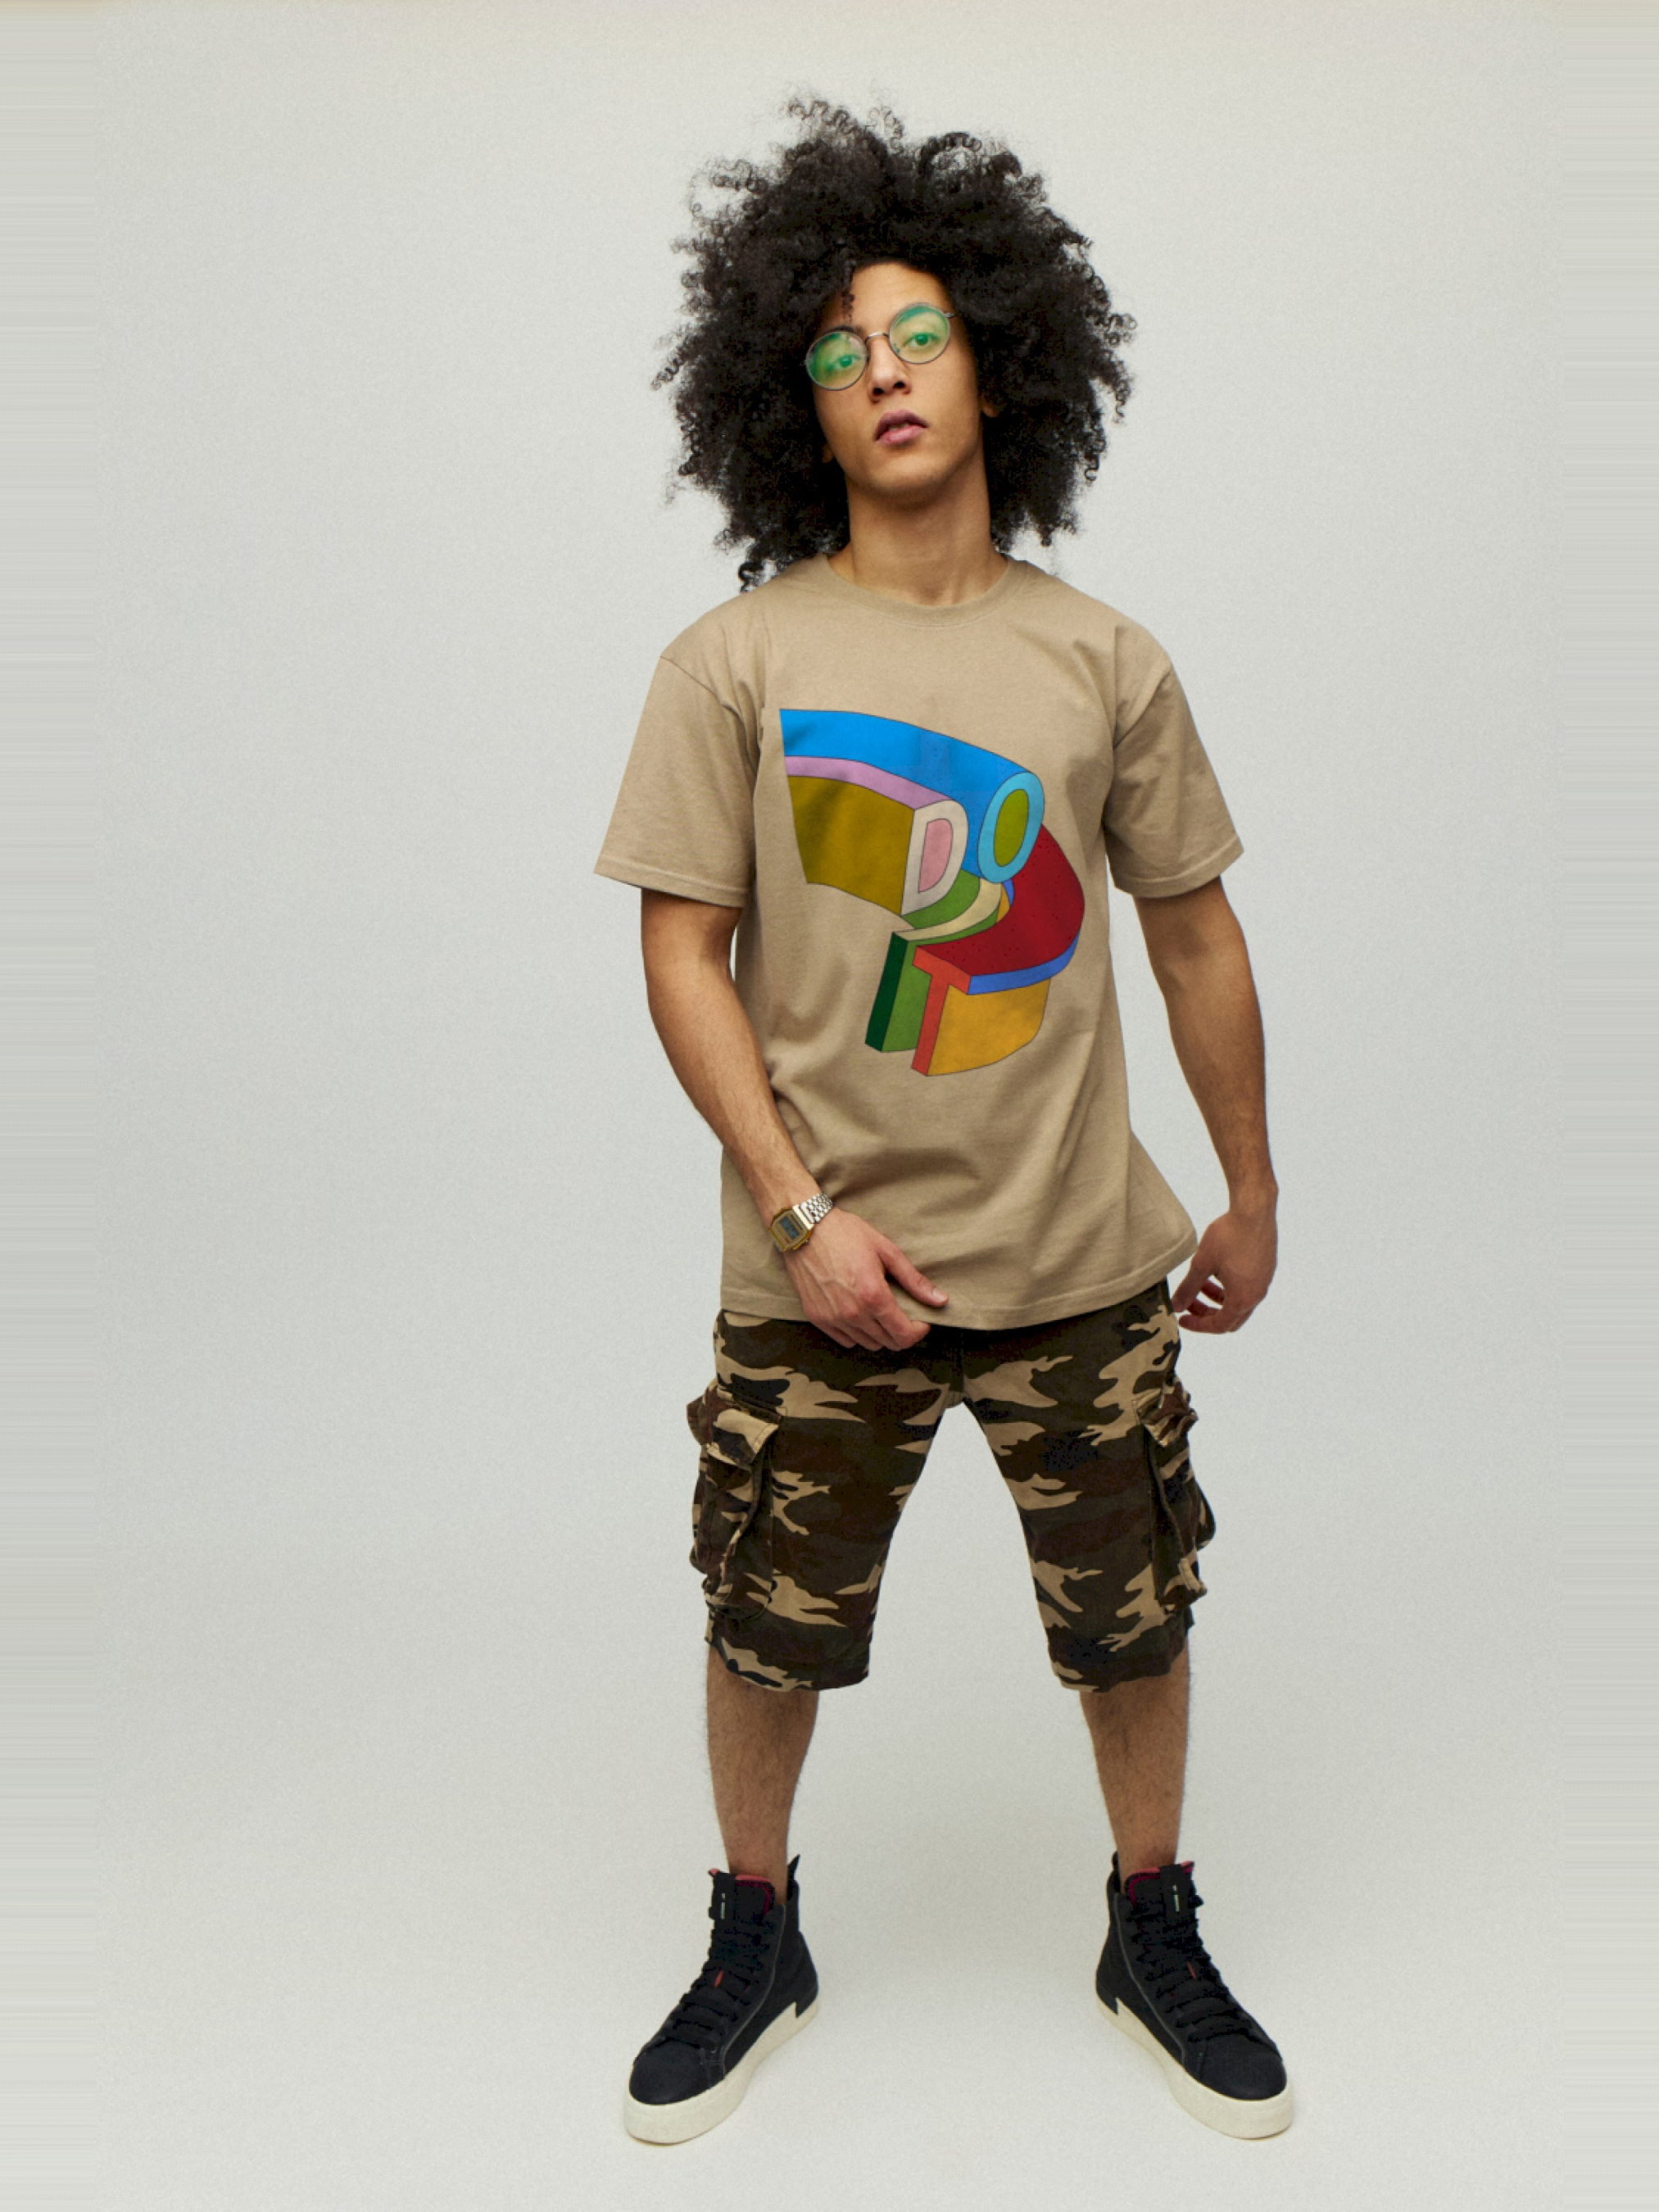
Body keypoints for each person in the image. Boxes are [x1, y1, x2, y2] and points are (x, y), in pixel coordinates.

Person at [592, 97, 1291, 2146]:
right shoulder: (732, 660)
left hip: (1078, 1254)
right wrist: (797, 1210)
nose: (883, 375)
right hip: (823, 1266)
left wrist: (1249, 1189)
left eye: (917, 335)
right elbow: (679, 953)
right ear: (788, 405)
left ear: (999, 361)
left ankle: (1147, 1923)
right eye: (837, 351)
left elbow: (1192, 934)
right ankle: (753, 1931)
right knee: (763, 1621)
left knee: (1132, 1615)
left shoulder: (1100, 657)